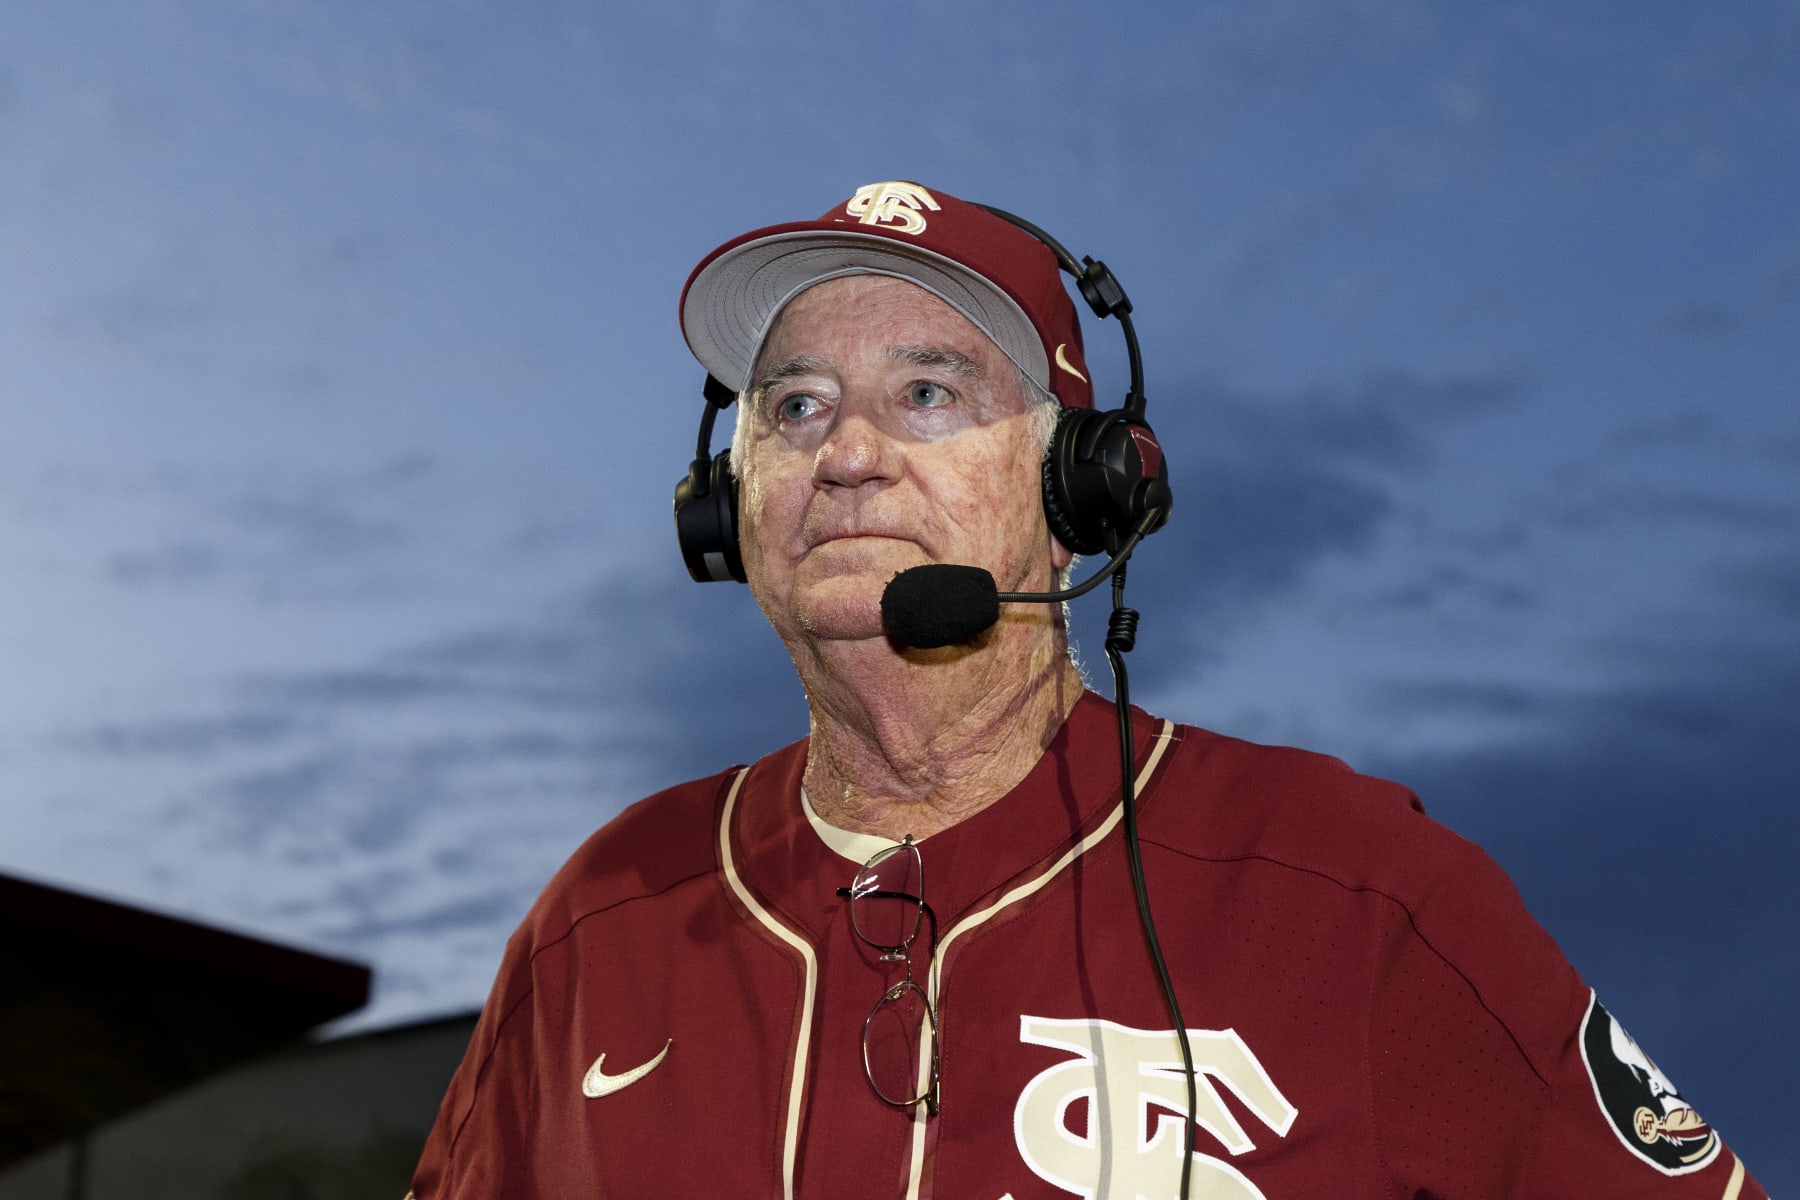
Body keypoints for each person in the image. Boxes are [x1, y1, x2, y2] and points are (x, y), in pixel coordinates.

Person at [408, 182, 1766, 1199]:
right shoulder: (603, 915)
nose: (850, 451)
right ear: (726, 502)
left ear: (1083, 490)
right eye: (797, 406)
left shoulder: (1355, 888)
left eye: (931, 392)